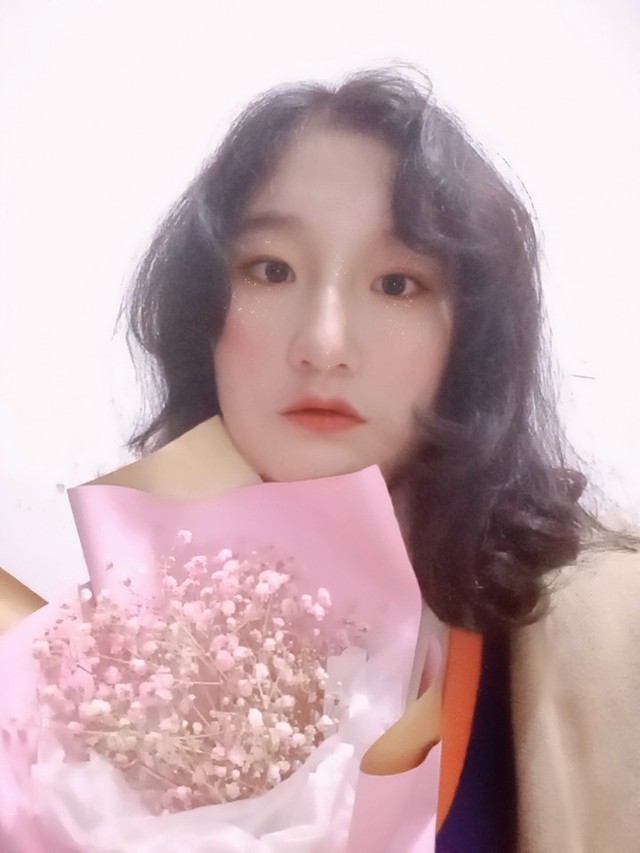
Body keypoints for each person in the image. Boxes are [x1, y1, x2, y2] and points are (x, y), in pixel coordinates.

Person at [3, 67, 640, 851]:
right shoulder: (77, 646)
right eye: (271, 270)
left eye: (397, 283)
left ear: (473, 340)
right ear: (202, 312)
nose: (324, 344)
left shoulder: (603, 635)